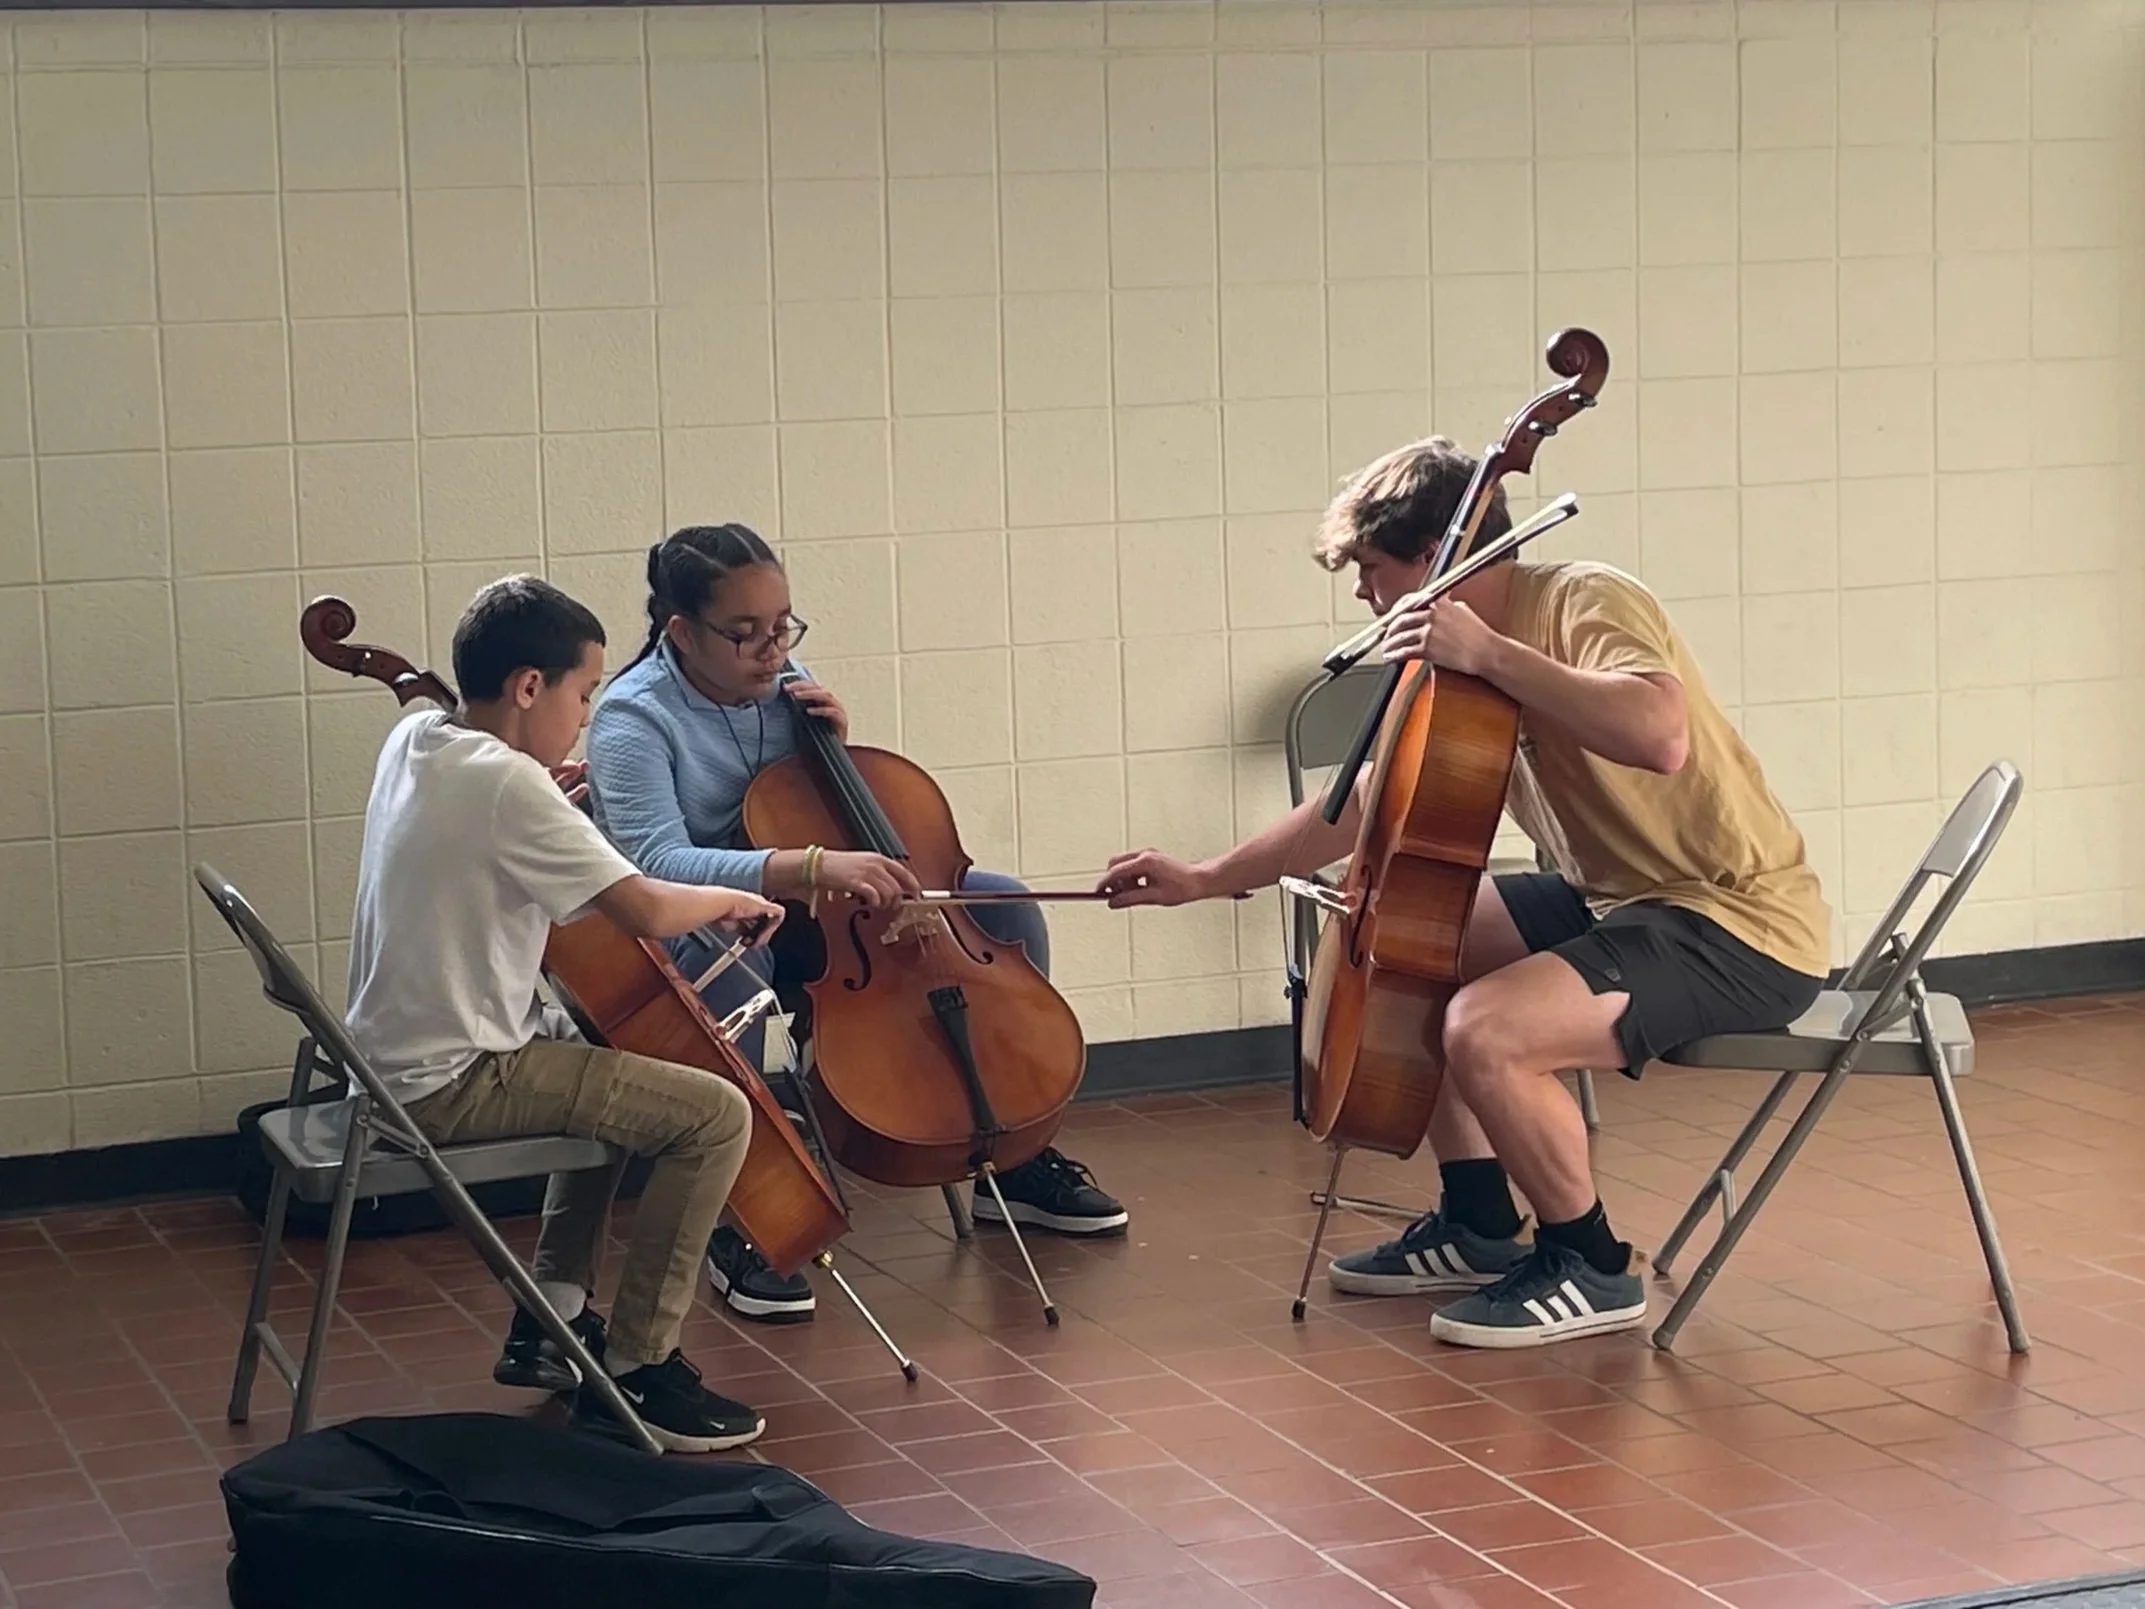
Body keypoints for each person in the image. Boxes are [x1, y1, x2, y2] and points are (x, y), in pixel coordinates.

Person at [1098, 438, 1831, 1349]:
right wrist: (1206, 878)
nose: (1364, 595)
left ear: (1438, 560)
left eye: (1371, 569)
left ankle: (1591, 1262)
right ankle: (1480, 1221)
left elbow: (1660, 733)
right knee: (1418, 940)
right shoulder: (1444, 653)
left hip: (1732, 919)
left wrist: (1492, 654)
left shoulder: (1579, 598)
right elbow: (1363, 804)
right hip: (1612, 898)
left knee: (1486, 1027)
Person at [585, 524, 1129, 1326]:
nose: (771, 652)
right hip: (723, 914)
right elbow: (656, 861)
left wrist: (829, 744)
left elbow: (821, 805)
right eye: (744, 635)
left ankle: (1008, 1156)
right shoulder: (632, 719)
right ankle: (743, 1218)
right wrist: (803, 867)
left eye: (783, 627)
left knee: (998, 901)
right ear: (680, 632)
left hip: (827, 908)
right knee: (728, 971)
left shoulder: (785, 683)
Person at [345, 573, 787, 1452]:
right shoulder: (511, 787)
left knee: (608, 1050)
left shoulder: (419, 735)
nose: (586, 714)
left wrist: (546, 786)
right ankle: (636, 1368)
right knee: (712, 1114)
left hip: (385, 1058)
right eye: (583, 693)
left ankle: (549, 1319)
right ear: (528, 688)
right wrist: (734, 900)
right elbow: (651, 910)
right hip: (453, 1079)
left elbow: (503, 825)